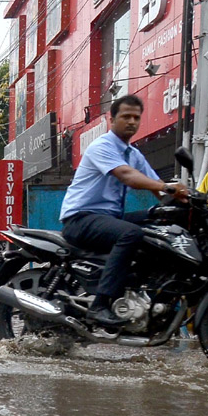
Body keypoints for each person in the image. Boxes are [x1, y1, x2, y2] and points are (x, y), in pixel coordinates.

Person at [59, 93, 189, 328]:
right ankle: (100, 304)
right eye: (126, 116)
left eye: (136, 118)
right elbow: (127, 176)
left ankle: (143, 289)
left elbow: (159, 191)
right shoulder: (102, 146)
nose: (132, 122)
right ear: (112, 119)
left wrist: (186, 201)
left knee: (160, 220)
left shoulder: (134, 155)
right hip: (80, 219)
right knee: (131, 234)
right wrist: (167, 187)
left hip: (108, 219)